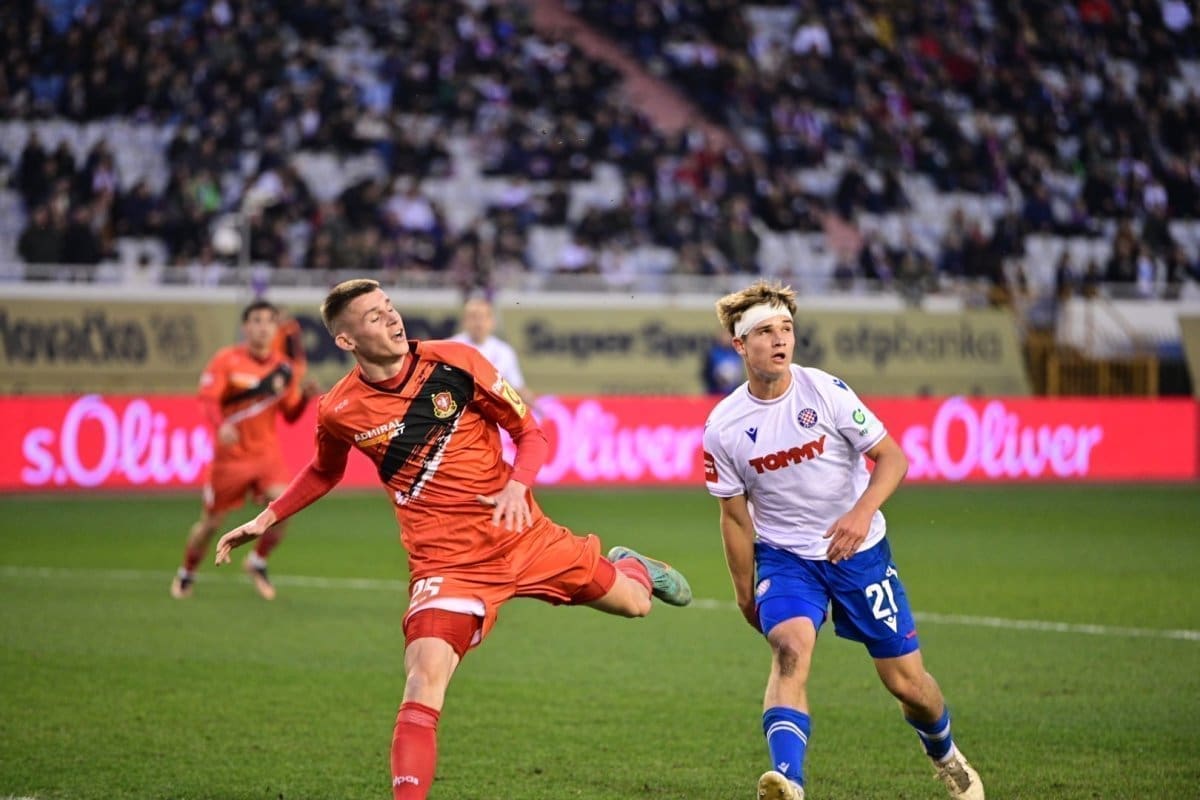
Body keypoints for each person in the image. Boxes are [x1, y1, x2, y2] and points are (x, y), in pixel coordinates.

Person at [212, 278, 691, 799]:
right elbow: (325, 471)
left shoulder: (456, 362)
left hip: (525, 536)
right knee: (423, 678)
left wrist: (517, 485)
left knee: (637, 604)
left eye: (389, 307)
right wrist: (268, 517)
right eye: (373, 316)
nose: (391, 319)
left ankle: (633, 565)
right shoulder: (339, 408)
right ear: (346, 340)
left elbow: (530, 432)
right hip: (448, 565)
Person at [700, 280, 984, 800]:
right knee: (789, 650)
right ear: (739, 344)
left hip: (859, 553)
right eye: (765, 332)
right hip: (787, 558)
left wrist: (860, 513)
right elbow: (735, 519)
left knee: (907, 685)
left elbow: (892, 458)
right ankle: (789, 782)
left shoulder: (825, 392)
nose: (780, 339)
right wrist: (744, 593)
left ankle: (945, 754)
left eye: (787, 328)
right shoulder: (723, 427)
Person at [170, 300, 318, 601]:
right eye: (256, 321)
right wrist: (220, 424)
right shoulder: (227, 360)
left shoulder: (284, 368)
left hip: (266, 456)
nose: (263, 327)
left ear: (276, 328)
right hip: (231, 460)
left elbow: (290, 414)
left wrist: (304, 399)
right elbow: (208, 399)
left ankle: (257, 561)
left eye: (269, 321)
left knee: (285, 507)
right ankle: (187, 572)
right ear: (245, 327)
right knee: (210, 524)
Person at [448, 295, 536, 407]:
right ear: (464, 321)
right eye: (473, 317)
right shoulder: (450, 347)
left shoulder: (504, 351)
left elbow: (517, 386)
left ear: (492, 321)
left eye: (483, 317)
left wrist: (537, 406)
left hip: (492, 411)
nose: (478, 323)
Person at [701, 327, 744, 395]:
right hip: (715, 393)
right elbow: (705, 374)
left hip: (732, 393)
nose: (726, 338)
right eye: (724, 335)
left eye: (728, 335)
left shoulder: (737, 353)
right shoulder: (713, 353)